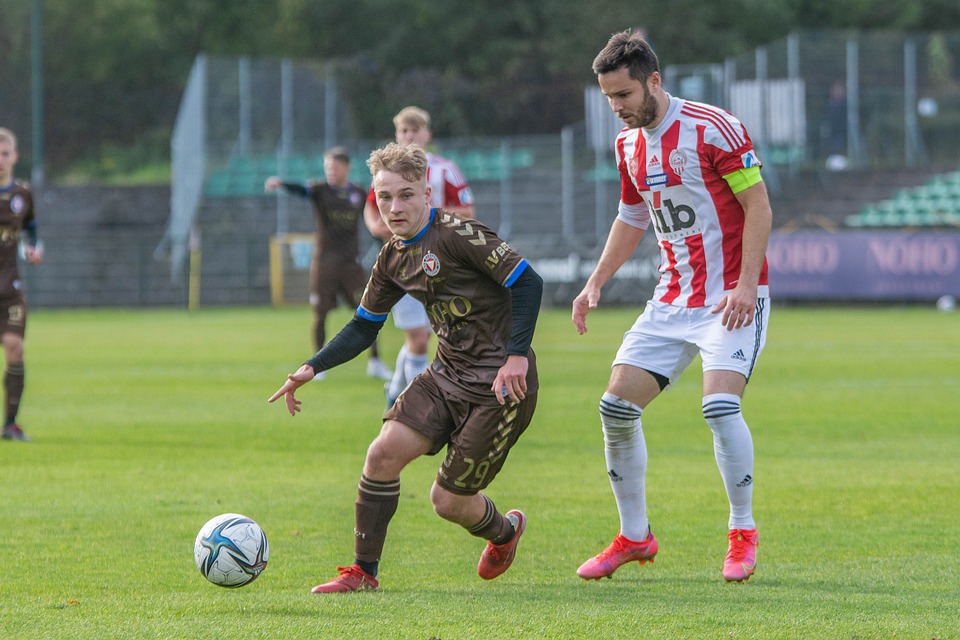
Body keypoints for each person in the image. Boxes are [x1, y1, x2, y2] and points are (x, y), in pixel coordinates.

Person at [270, 142, 542, 593]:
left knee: (448, 502)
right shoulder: (392, 258)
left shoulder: (458, 235)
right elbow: (362, 327)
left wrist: (516, 356)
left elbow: (528, 281)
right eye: (384, 198)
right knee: (381, 455)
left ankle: (505, 533)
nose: (394, 208)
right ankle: (363, 573)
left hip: (500, 384)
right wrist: (311, 367)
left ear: (426, 194)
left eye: (406, 195)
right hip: (446, 375)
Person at [571, 30, 772, 583]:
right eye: (609, 98)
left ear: (653, 81)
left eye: (625, 97)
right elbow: (632, 217)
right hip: (671, 298)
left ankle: (742, 531)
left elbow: (758, 207)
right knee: (614, 408)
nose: (617, 109)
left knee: (719, 409)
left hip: (730, 296)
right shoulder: (628, 144)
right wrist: (596, 283)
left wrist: (747, 284)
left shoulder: (712, 127)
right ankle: (634, 537)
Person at [363, 106, 476, 407]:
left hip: (442, 263)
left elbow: (467, 211)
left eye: (415, 130)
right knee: (418, 339)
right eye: (404, 131)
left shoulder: (443, 169)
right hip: (404, 260)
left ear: (427, 134)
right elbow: (372, 206)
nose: (409, 135)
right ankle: (409, 407)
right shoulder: (387, 174)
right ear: (397, 134)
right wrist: (378, 226)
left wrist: (428, 219)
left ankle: (394, 393)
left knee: (433, 339)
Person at [265, 146, 392, 382]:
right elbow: (302, 190)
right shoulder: (320, 190)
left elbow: (373, 218)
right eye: (327, 168)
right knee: (320, 313)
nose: (330, 171)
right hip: (325, 264)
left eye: (335, 167)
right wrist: (282, 184)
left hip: (351, 264)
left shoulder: (358, 193)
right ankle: (318, 366)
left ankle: (375, 362)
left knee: (369, 311)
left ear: (346, 167)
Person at [0, 128, 43, 442]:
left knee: (15, 348)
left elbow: (31, 228)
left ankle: (10, 424)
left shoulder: (23, 194)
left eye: (4, 154)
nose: (0, 160)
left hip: (9, 289)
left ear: (14, 157)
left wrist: (35, 248)